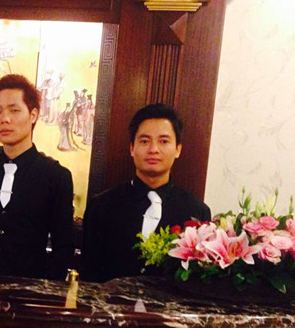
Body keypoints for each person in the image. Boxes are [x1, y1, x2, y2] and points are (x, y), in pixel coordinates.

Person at [0, 74, 75, 280]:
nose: (5, 119)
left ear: (33, 115)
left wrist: (48, 290)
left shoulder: (56, 176)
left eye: (14, 110)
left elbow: (63, 246)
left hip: (29, 291)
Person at [80, 103, 211, 282]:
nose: (153, 149)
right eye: (144, 141)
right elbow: (88, 276)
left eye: (163, 141)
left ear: (178, 149)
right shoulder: (101, 206)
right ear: (132, 148)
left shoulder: (197, 212)